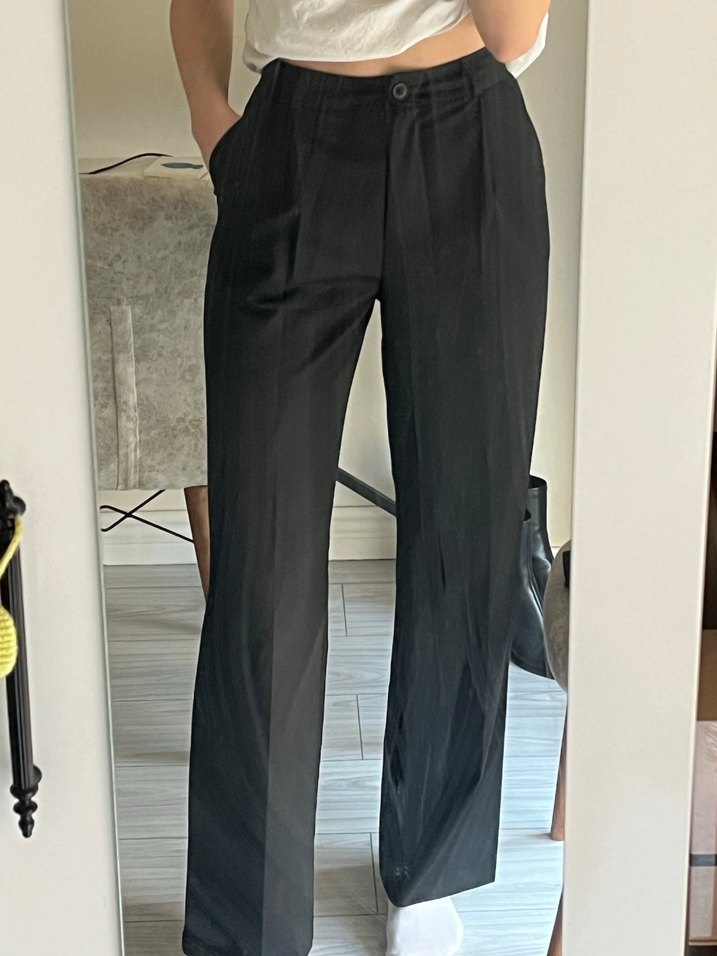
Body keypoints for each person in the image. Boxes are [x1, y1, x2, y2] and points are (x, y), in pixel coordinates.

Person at [170, 1, 551, 954]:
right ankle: (248, 926)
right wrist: (214, 123)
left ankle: (429, 870)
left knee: (464, 532)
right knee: (260, 560)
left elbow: (513, 32)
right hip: (290, 138)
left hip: (469, 135)